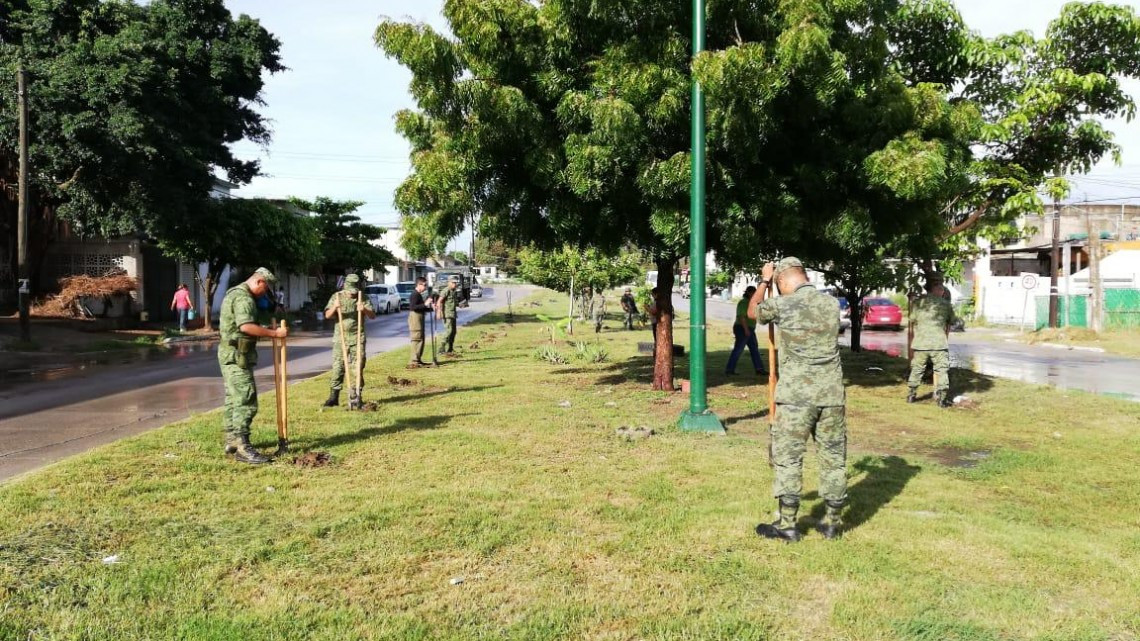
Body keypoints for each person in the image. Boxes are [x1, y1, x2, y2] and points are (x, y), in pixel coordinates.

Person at [748, 257, 846, 542]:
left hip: (796, 397)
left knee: (789, 459)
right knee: (833, 459)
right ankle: (832, 523)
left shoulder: (783, 304)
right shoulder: (831, 304)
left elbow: (753, 311)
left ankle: (788, 525)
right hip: (831, 394)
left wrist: (764, 280)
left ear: (783, 281)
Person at [218, 268, 288, 464]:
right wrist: (275, 334)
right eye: (266, 289)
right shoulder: (243, 298)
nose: (265, 293)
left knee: (233, 398)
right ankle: (242, 446)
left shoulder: (234, 292)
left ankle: (232, 440)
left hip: (230, 353)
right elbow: (245, 326)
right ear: (259, 282)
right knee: (246, 399)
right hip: (237, 355)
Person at [322, 274, 376, 407]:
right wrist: (335, 307)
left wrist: (364, 309)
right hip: (341, 338)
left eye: (354, 292)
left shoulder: (362, 297)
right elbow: (327, 315)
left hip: (358, 337)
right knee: (338, 367)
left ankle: (357, 394)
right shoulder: (337, 296)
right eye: (350, 292)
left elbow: (373, 316)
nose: (352, 295)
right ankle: (334, 397)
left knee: (358, 366)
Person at [908, 275, 957, 408]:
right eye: (941, 289)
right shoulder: (946, 305)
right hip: (939, 343)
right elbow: (953, 321)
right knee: (941, 370)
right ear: (937, 290)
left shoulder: (918, 303)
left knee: (917, 369)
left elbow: (912, 319)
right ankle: (942, 398)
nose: (942, 292)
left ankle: (911, 395)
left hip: (921, 342)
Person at [726, 285, 766, 376]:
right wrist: (746, 329)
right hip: (742, 328)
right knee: (739, 349)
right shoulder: (744, 303)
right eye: (753, 293)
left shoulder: (752, 303)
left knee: (754, 348)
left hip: (749, 328)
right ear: (748, 293)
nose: (754, 295)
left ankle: (759, 369)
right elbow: (741, 317)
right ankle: (729, 369)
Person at [407, 277, 432, 368]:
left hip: (419, 317)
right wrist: (425, 304)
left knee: (421, 338)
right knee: (417, 339)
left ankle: (418, 359)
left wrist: (430, 308)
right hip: (415, 318)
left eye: (426, 285)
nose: (425, 287)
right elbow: (413, 307)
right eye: (424, 285)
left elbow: (421, 307)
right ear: (419, 284)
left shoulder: (419, 294)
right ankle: (414, 361)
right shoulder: (415, 294)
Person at [436, 275, 460, 355]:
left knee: (453, 331)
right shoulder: (446, 290)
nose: (455, 284)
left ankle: (450, 348)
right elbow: (439, 301)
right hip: (447, 314)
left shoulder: (454, 291)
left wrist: (460, 304)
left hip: (453, 313)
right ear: (449, 282)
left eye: (456, 283)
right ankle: (441, 348)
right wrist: (439, 312)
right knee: (448, 331)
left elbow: (454, 302)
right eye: (453, 283)